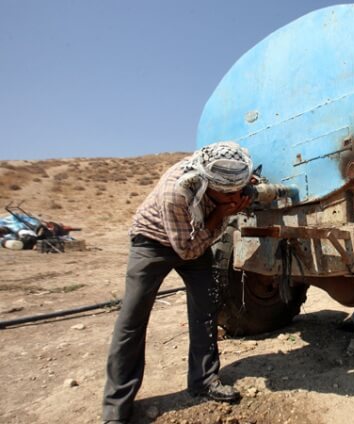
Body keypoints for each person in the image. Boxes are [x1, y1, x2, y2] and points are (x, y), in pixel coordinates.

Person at [102, 141, 253, 424]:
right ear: (207, 183)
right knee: (132, 319)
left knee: (206, 308)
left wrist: (228, 203)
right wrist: (221, 214)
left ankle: (204, 381)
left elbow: (198, 241)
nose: (236, 195)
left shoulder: (224, 176)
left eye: (239, 188)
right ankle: (115, 408)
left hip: (197, 233)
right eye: (228, 192)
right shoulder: (178, 191)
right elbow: (188, 250)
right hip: (153, 242)